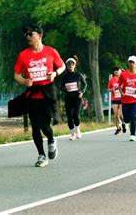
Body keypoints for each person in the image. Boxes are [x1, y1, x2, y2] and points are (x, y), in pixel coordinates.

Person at [14, 24, 65, 167]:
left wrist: (55, 73)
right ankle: (41, 155)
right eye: (26, 35)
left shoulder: (50, 52)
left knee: (44, 124)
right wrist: (24, 80)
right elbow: (16, 74)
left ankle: (51, 139)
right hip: (32, 93)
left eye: (31, 34)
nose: (28, 37)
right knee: (35, 126)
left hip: (47, 91)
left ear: (40, 36)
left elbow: (62, 66)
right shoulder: (23, 55)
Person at [118, 55, 136, 141]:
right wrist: (122, 93)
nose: (131, 64)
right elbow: (119, 86)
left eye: (133, 62)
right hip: (126, 99)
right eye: (130, 62)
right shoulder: (123, 74)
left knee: (133, 116)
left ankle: (133, 135)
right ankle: (125, 122)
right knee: (126, 117)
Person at [61, 57, 87, 141]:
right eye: (69, 64)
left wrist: (82, 92)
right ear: (67, 66)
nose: (71, 66)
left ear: (74, 65)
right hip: (68, 98)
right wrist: (64, 88)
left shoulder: (78, 75)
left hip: (77, 98)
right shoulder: (64, 77)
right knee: (69, 117)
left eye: (72, 64)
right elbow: (61, 87)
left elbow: (85, 84)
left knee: (75, 115)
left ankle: (78, 130)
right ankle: (72, 134)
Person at [108, 66, 124, 135]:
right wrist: (112, 89)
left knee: (120, 114)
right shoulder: (112, 80)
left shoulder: (123, 78)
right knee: (115, 115)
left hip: (122, 99)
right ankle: (118, 128)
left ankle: (123, 123)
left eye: (117, 70)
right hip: (114, 98)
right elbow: (108, 89)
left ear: (120, 71)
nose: (116, 72)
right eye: (114, 70)